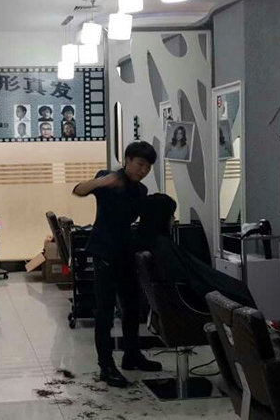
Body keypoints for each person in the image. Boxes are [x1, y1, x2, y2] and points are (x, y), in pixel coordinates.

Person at [72, 141, 162, 388]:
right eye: (140, 164)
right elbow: (78, 190)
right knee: (105, 312)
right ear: (128, 160)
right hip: (104, 252)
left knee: (132, 308)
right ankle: (106, 366)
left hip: (125, 252)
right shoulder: (108, 178)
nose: (144, 170)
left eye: (148, 167)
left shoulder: (141, 190)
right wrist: (100, 183)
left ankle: (132, 356)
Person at [136, 193, 256, 308]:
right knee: (239, 291)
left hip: (187, 295)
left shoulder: (151, 243)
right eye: (172, 214)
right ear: (162, 218)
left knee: (237, 288)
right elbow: (184, 281)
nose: (174, 218)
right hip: (190, 300)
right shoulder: (162, 246)